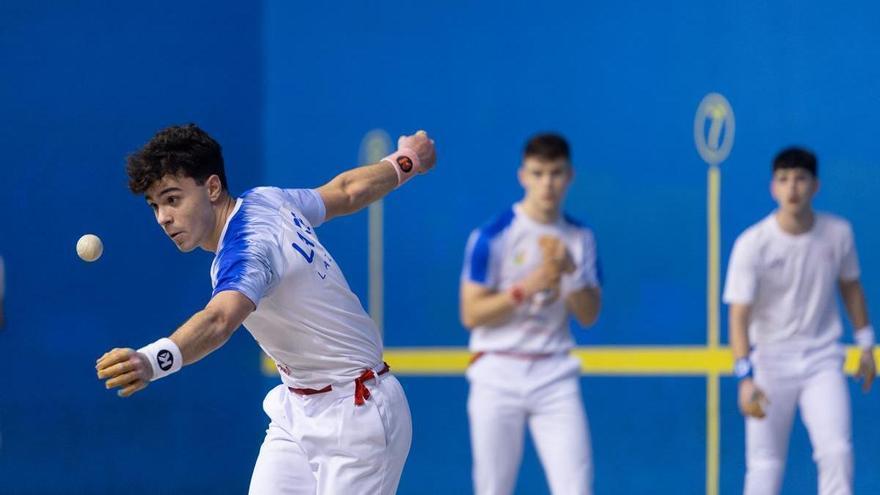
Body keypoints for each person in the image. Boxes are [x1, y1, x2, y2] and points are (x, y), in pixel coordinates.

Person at [95, 124, 436, 495]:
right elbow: (346, 191)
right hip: (296, 408)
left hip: (357, 415)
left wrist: (151, 361)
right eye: (155, 206)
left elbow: (220, 319)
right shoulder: (267, 200)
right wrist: (407, 160)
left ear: (211, 188)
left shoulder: (248, 251)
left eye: (172, 199)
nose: (162, 217)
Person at [723, 147, 876, 495]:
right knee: (765, 465)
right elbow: (739, 315)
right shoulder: (752, 244)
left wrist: (866, 345)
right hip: (769, 364)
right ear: (772, 188)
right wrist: (745, 377)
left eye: (800, 178)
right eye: (783, 179)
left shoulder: (839, 234)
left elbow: (851, 288)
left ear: (816, 185)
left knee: (836, 451)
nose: (792, 187)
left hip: (822, 361)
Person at [459, 133, 601, 495]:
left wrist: (570, 273)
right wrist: (527, 287)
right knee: (492, 489)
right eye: (538, 173)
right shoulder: (492, 236)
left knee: (577, 488)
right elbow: (471, 313)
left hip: (555, 375)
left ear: (569, 176)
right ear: (523, 175)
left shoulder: (581, 238)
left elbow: (589, 315)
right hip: (496, 373)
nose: (547, 184)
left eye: (555, 173)